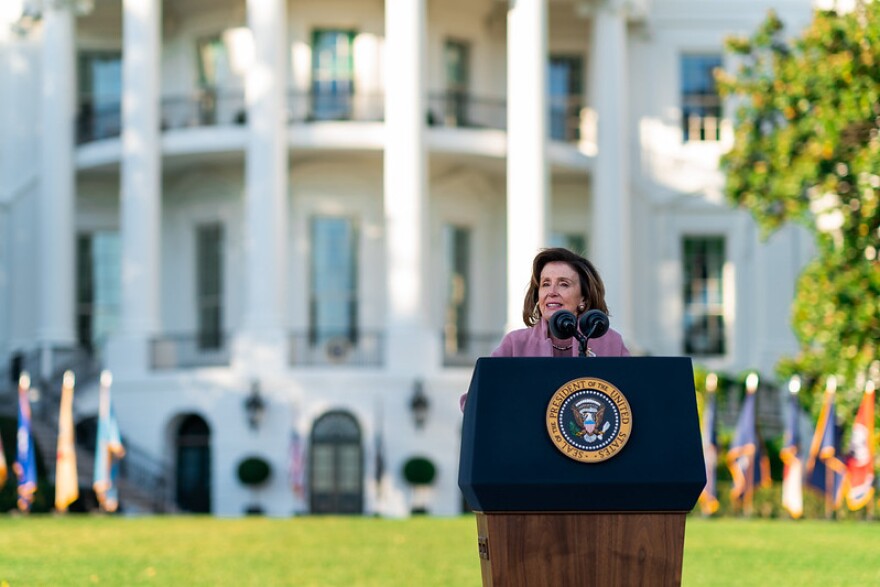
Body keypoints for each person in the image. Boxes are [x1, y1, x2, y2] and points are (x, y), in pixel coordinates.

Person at [460, 247, 629, 410]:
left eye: (563, 284)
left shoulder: (611, 342)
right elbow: (474, 402)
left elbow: (634, 397)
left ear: (583, 298)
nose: (552, 292)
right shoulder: (515, 343)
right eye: (545, 284)